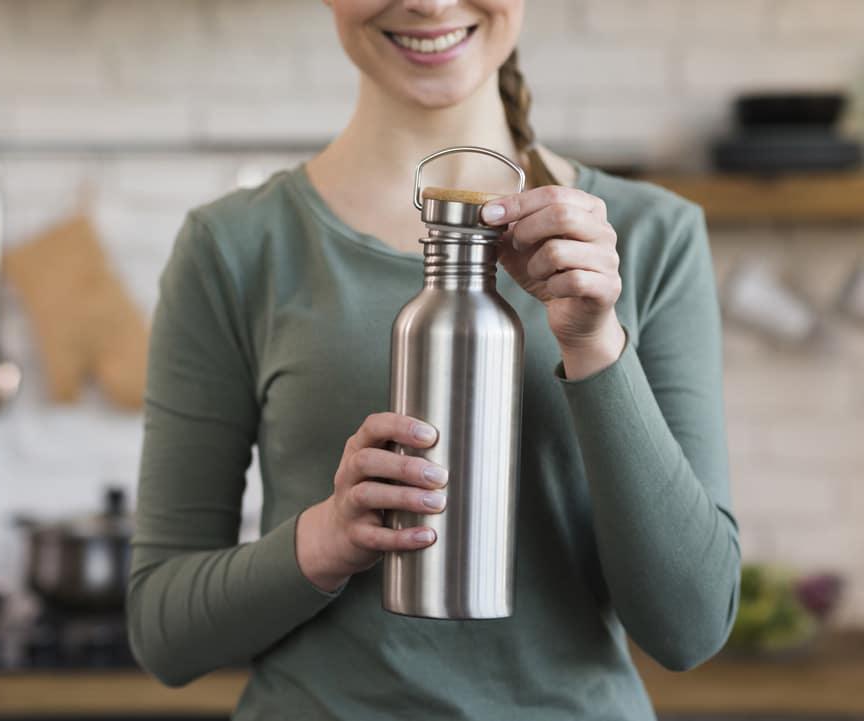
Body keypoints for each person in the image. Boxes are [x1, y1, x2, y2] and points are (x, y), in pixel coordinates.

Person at [127, 1, 740, 718]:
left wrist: (594, 341)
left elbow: (691, 628)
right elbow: (163, 634)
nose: (428, 1)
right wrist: (323, 540)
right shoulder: (232, 247)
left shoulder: (648, 237)